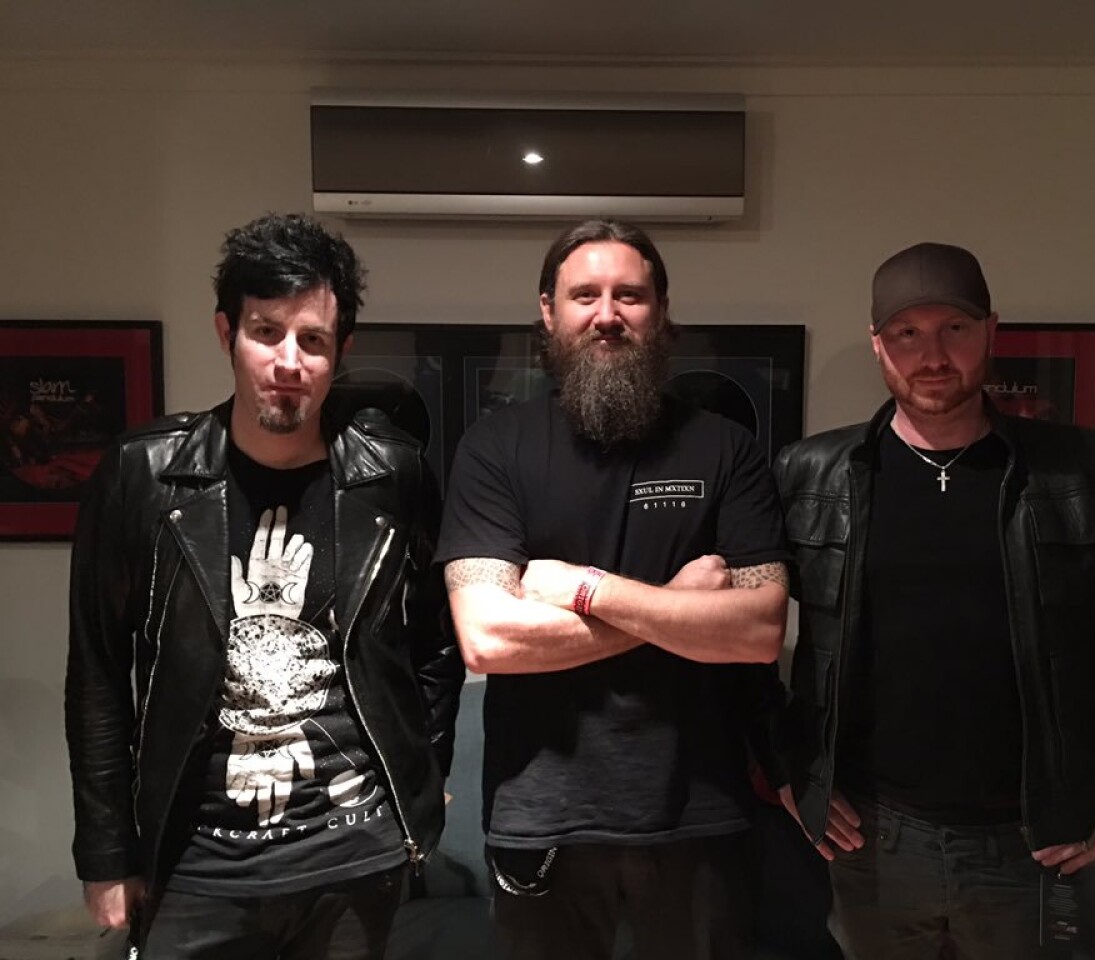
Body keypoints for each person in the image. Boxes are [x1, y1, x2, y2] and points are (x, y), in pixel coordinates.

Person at [772, 241, 1095, 958]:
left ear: (991, 331)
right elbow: (745, 637)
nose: (932, 354)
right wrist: (789, 771)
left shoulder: (1086, 468)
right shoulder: (809, 473)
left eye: (955, 328)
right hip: (872, 837)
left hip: (1032, 840)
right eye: (907, 332)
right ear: (877, 343)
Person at [64, 212, 463, 959]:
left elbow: (436, 647)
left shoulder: (391, 476)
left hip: (355, 856)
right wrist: (107, 852)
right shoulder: (143, 476)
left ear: (341, 350)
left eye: (313, 340)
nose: (289, 361)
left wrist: (423, 775)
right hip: (195, 866)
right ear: (227, 333)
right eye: (266, 332)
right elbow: (97, 673)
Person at [436, 218, 790, 960]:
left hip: (699, 812)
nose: (607, 314)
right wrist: (678, 602)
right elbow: (489, 639)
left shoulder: (725, 449)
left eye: (629, 295)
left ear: (661, 311)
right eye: (584, 295)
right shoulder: (494, 449)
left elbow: (759, 631)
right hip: (542, 816)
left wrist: (586, 589)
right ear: (548, 311)